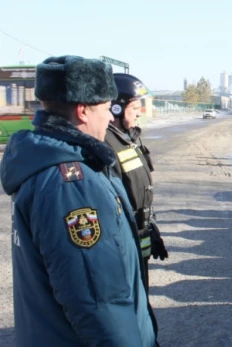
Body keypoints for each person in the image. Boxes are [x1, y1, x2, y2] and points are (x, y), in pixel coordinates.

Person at [0, 56, 156, 346]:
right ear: (83, 111)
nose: (111, 117)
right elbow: (98, 302)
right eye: (106, 108)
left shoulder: (55, 163)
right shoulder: (71, 185)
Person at [105, 73, 169, 293]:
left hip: (139, 236)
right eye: (134, 108)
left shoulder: (127, 140)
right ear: (115, 109)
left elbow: (136, 190)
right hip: (123, 246)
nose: (140, 113)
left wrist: (149, 227)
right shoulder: (106, 145)